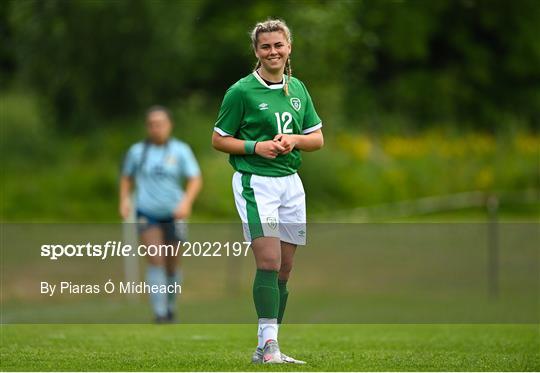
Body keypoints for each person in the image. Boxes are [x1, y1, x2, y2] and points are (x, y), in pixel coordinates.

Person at [211, 19, 324, 364]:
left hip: (291, 184)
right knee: (269, 262)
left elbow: (316, 138)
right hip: (255, 182)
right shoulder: (241, 91)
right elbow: (219, 139)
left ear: (289, 47)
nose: (272, 52)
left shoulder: (298, 89)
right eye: (265, 46)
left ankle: (266, 347)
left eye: (278, 45)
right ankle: (270, 346)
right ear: (256, 51)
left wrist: (294, 140)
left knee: (285, 269)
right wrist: (254, 148)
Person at [120, 105, 202, 323]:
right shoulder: (137, 152)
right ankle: (160, 311)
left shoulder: (181, 150)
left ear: (169, 126)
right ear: (147, 127)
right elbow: (126, 177)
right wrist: (124, 200)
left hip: (174, 213)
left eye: (160, 124)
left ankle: (171, 304)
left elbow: (195, 178)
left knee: (172, 262)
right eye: (152, 125)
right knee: (155, 258)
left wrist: (186, 202)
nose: (156, 128)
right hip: (147, 212)